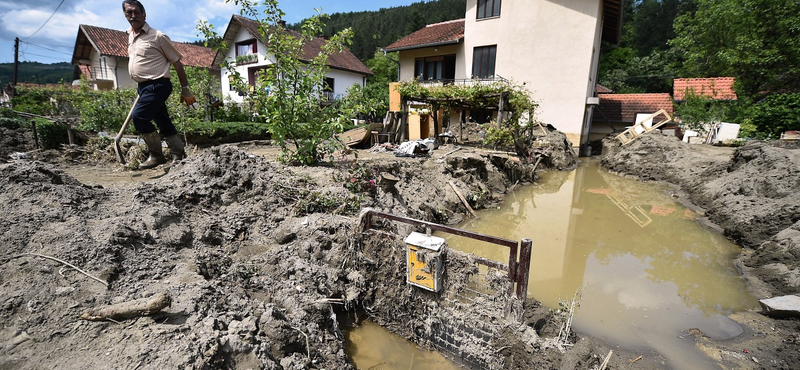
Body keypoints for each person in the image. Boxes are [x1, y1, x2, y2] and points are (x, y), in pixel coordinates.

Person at [123, 0, 196, 170]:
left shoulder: (157, 36)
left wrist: (185, 89)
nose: (133, 16)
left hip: (158, 85)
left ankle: (156, 155)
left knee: (139, 117)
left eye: (136, 12)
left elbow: (177, 63)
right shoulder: (130, 36)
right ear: (125, 15)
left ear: (144, 14)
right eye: (129, 13)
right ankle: (178, 154)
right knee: (163, 120)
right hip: (144, 87)